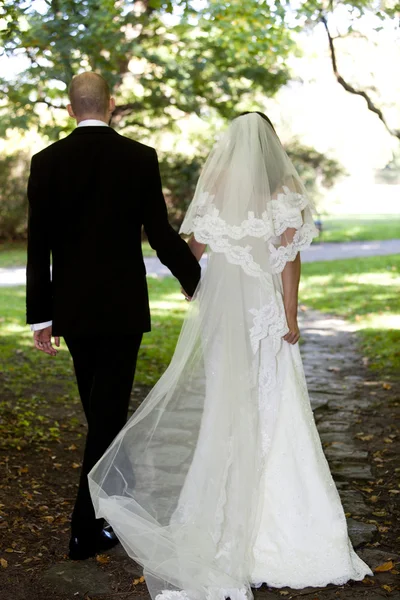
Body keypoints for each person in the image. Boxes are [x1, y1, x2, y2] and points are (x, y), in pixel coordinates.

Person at [88, 112, 373, 599]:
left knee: (225, 407)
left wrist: (191, 282)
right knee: (275, 406)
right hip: (264, 313)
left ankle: (222, 523)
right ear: (271, 144)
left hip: (228, 317)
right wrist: (290, 313)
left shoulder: (216, 184)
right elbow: (288, 257)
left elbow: (194, 247)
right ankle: (287, 533)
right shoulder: (283, 189)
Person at [25, 72, 201, 560]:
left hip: (73, 309)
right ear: (112, 104)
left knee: (100, 413)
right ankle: (86, 527)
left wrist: (41, 315)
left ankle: (112, 505)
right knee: (105, 415)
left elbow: (38, 248)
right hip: (122, 307)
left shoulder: (46, 161)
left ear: (69, 109)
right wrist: (196, 279)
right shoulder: (139, 157)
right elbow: (160, 234)